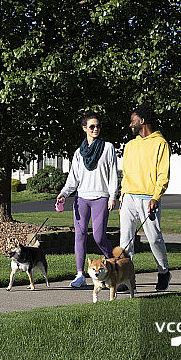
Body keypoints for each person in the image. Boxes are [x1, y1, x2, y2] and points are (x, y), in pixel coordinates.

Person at [56, 110, 120, 288]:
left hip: (101, 197)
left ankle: (113, 266)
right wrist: (63, 194)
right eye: (92, 126)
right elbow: (73, 178)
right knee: (80, 234)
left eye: (98, 126)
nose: (95, 129)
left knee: (99, 237)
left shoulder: (108, 148)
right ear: (84, 128)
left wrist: (113, 196)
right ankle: (80, 275)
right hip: (81, 198)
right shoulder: (79, 152)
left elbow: (113, 174)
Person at [119, 102, 171, 291]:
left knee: (154, 238)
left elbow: (163, 174)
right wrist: (122, 196)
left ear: (141, 121)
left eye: (132, 121)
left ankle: (164, 272)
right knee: (125, 240)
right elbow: (125, 173)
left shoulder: (160, 143)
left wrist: (156, 196)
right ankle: (126, 277)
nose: (130, 125)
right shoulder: (130, 145)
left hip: (149, 198)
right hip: (128, 198)